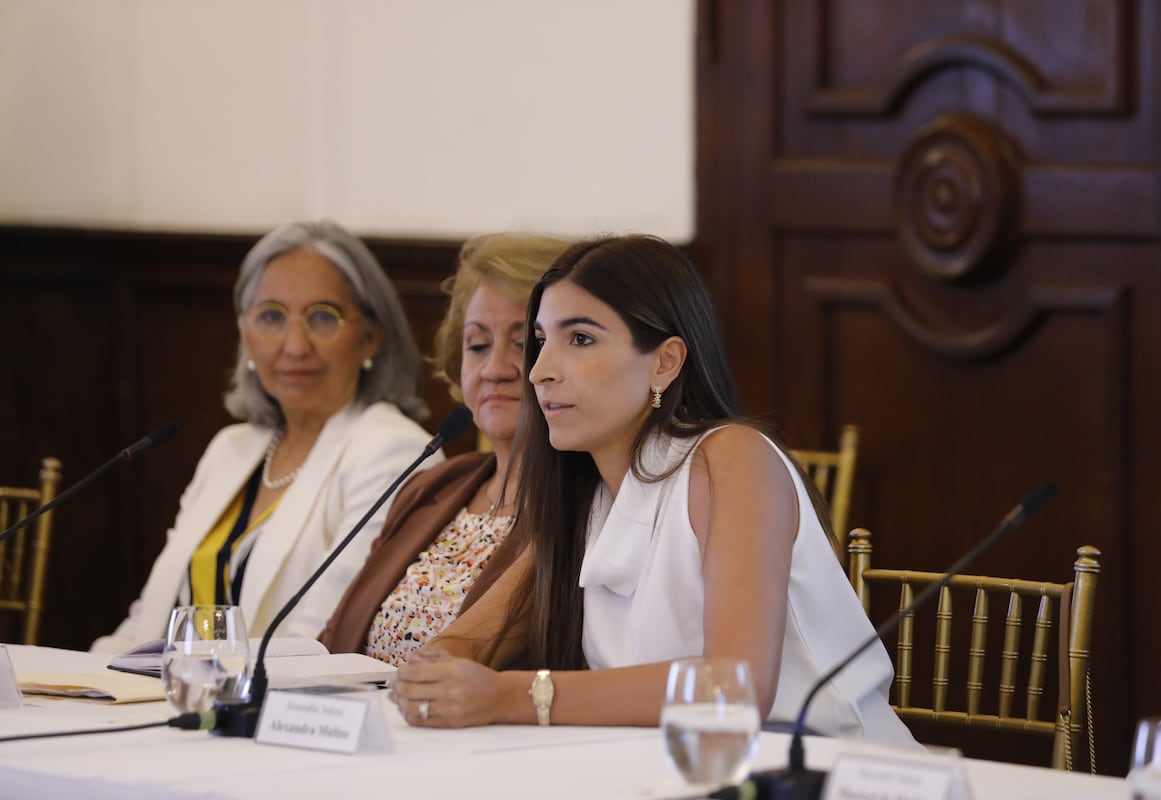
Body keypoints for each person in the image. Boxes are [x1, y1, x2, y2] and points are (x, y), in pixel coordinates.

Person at [387, 234, 914, 745]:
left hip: (823, 772)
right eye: (543, 342)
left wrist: (509, 695)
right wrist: (437, 670)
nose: (539, 372)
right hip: (667, 772)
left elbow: (736, 688)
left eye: (581, 339)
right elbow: (471, 639)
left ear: (665, 361)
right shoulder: (588, 495)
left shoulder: (732, 458)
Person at [91, 220, 439, 653]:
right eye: (272, 316)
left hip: (273, 709)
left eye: (323, 318)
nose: (295, 346)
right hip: (173, 699)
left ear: (371, 337)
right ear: (244, 334)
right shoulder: (231, 449)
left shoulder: (392, 451)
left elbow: (321, 635)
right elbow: (151, 616)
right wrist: (91, 681)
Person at [319, 233, 571, 663]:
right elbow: (335, 638)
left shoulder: (590, 503)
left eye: (525, 344)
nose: (494, 369)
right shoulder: (431, 487)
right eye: (477, 345)